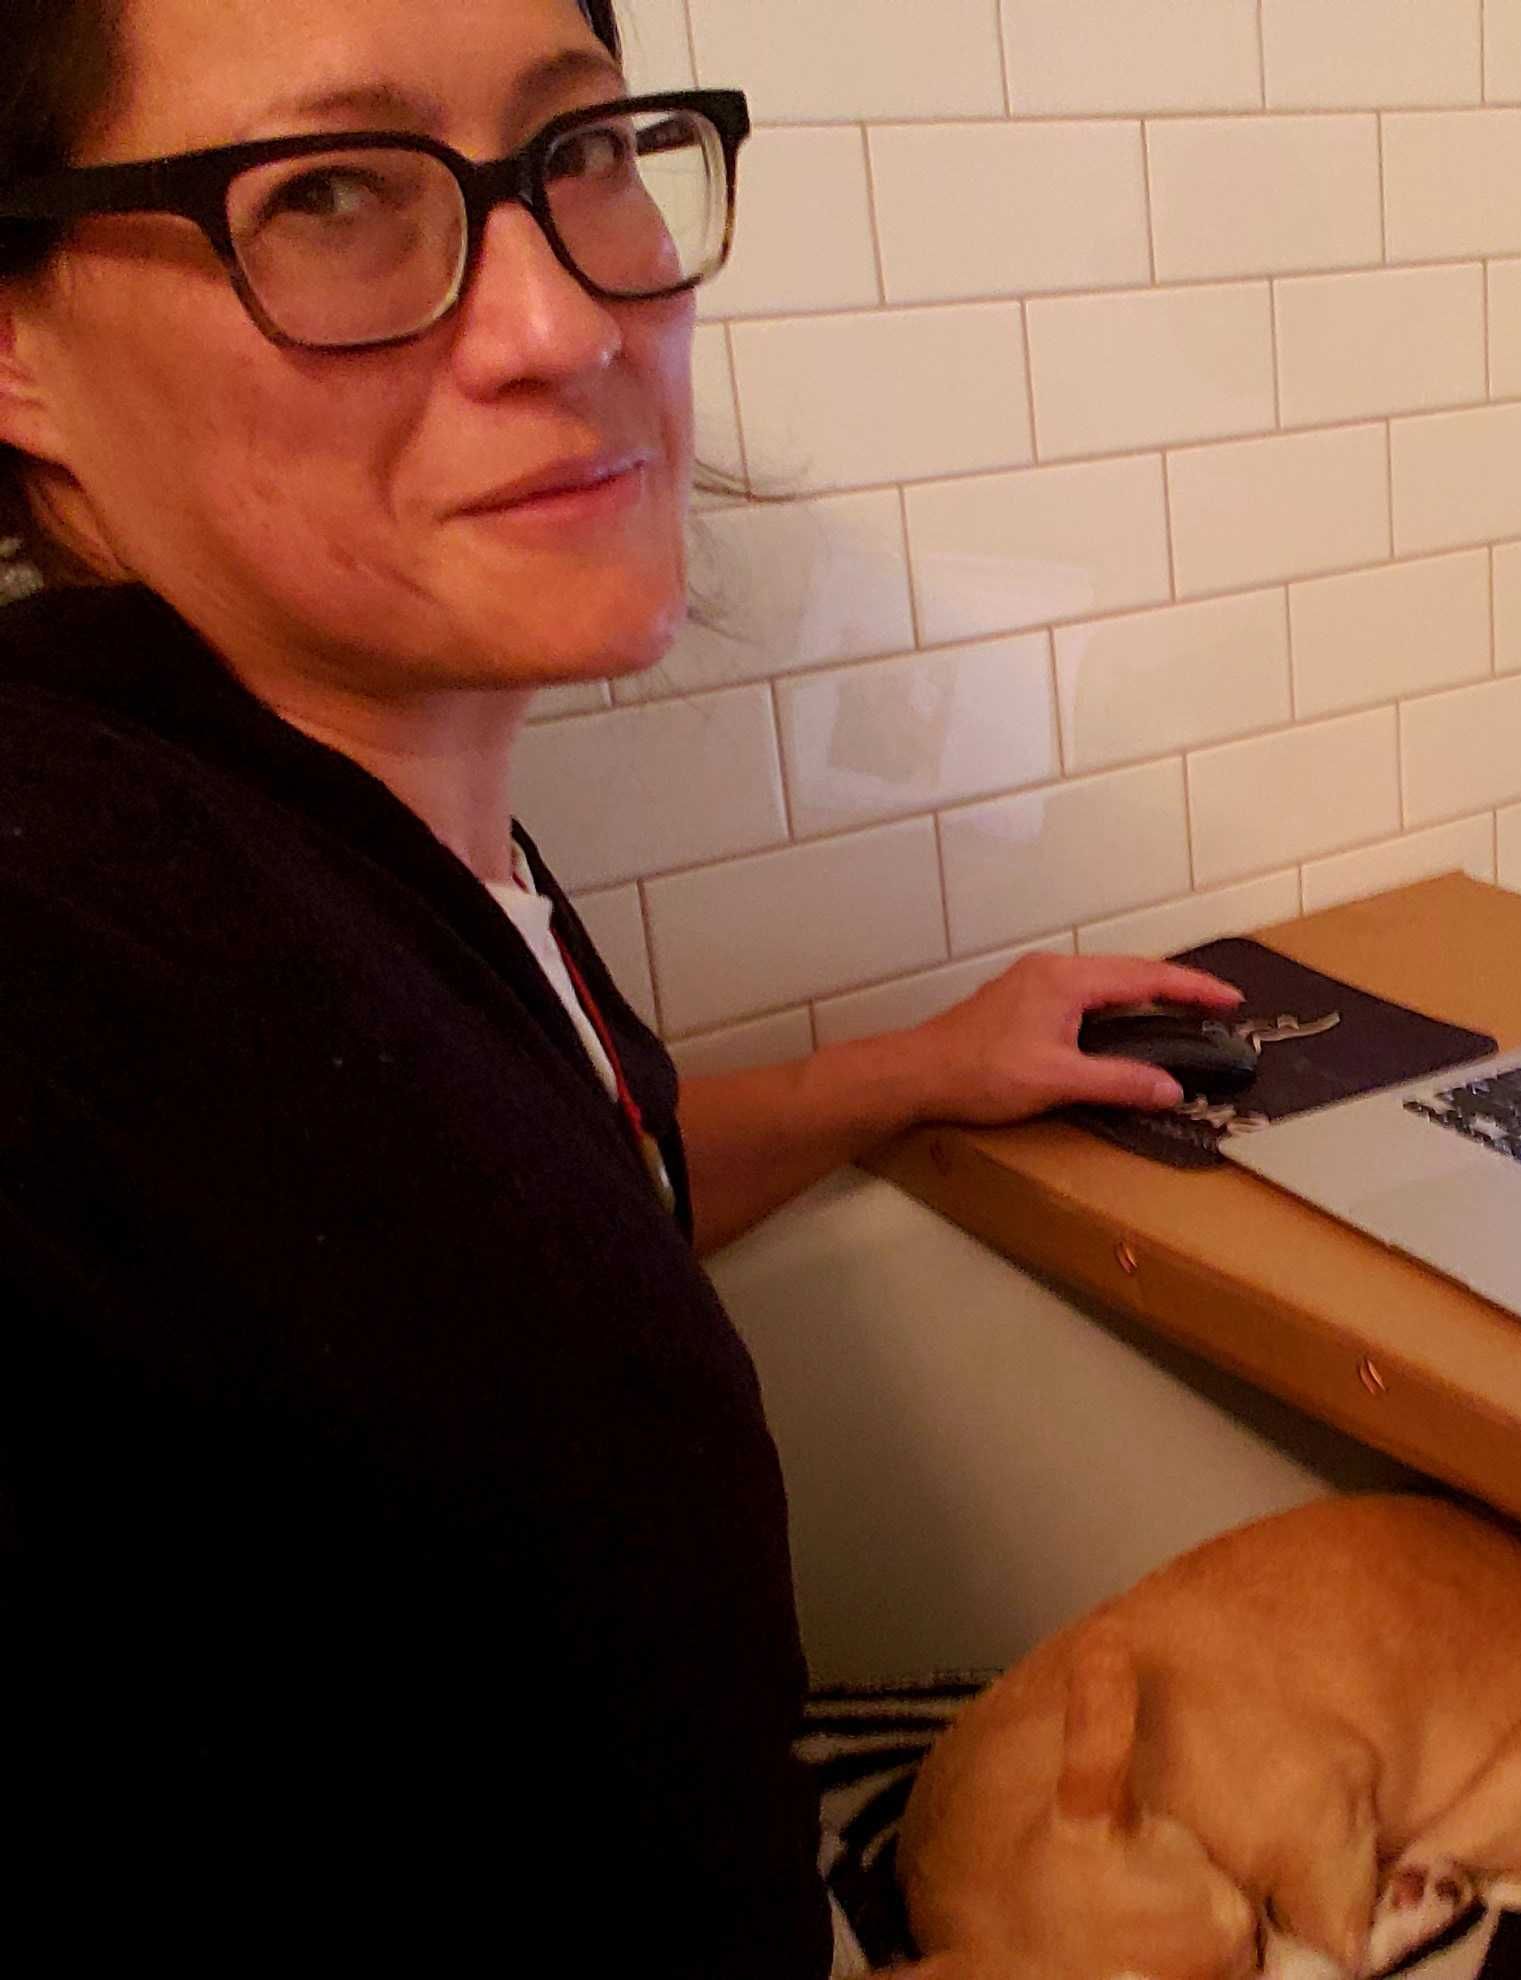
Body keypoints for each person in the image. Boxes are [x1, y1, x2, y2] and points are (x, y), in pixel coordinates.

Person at [0, 2, 1237, 1970]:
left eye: (580, 152)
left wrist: (914, 1068)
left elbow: (536, 1193)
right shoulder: (89, 945)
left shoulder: (361, 855)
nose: (562, 324)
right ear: (18, 346)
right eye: (326, 193)